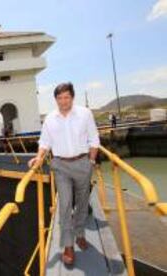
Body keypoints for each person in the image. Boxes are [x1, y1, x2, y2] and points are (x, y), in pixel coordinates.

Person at [28, 82, 100, 266]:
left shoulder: (85, 114)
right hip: (60, 165)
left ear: (72, 97)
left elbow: (94, 139)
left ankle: (80, 234)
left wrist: (91, 161)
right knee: (65, 204)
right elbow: (44, 143)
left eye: (66, 97)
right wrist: (38, 158)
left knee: (83, 202)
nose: (63, 101)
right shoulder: (50, 119)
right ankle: (68, 245)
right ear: (55, 99)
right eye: (59, 98)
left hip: (83, 162)